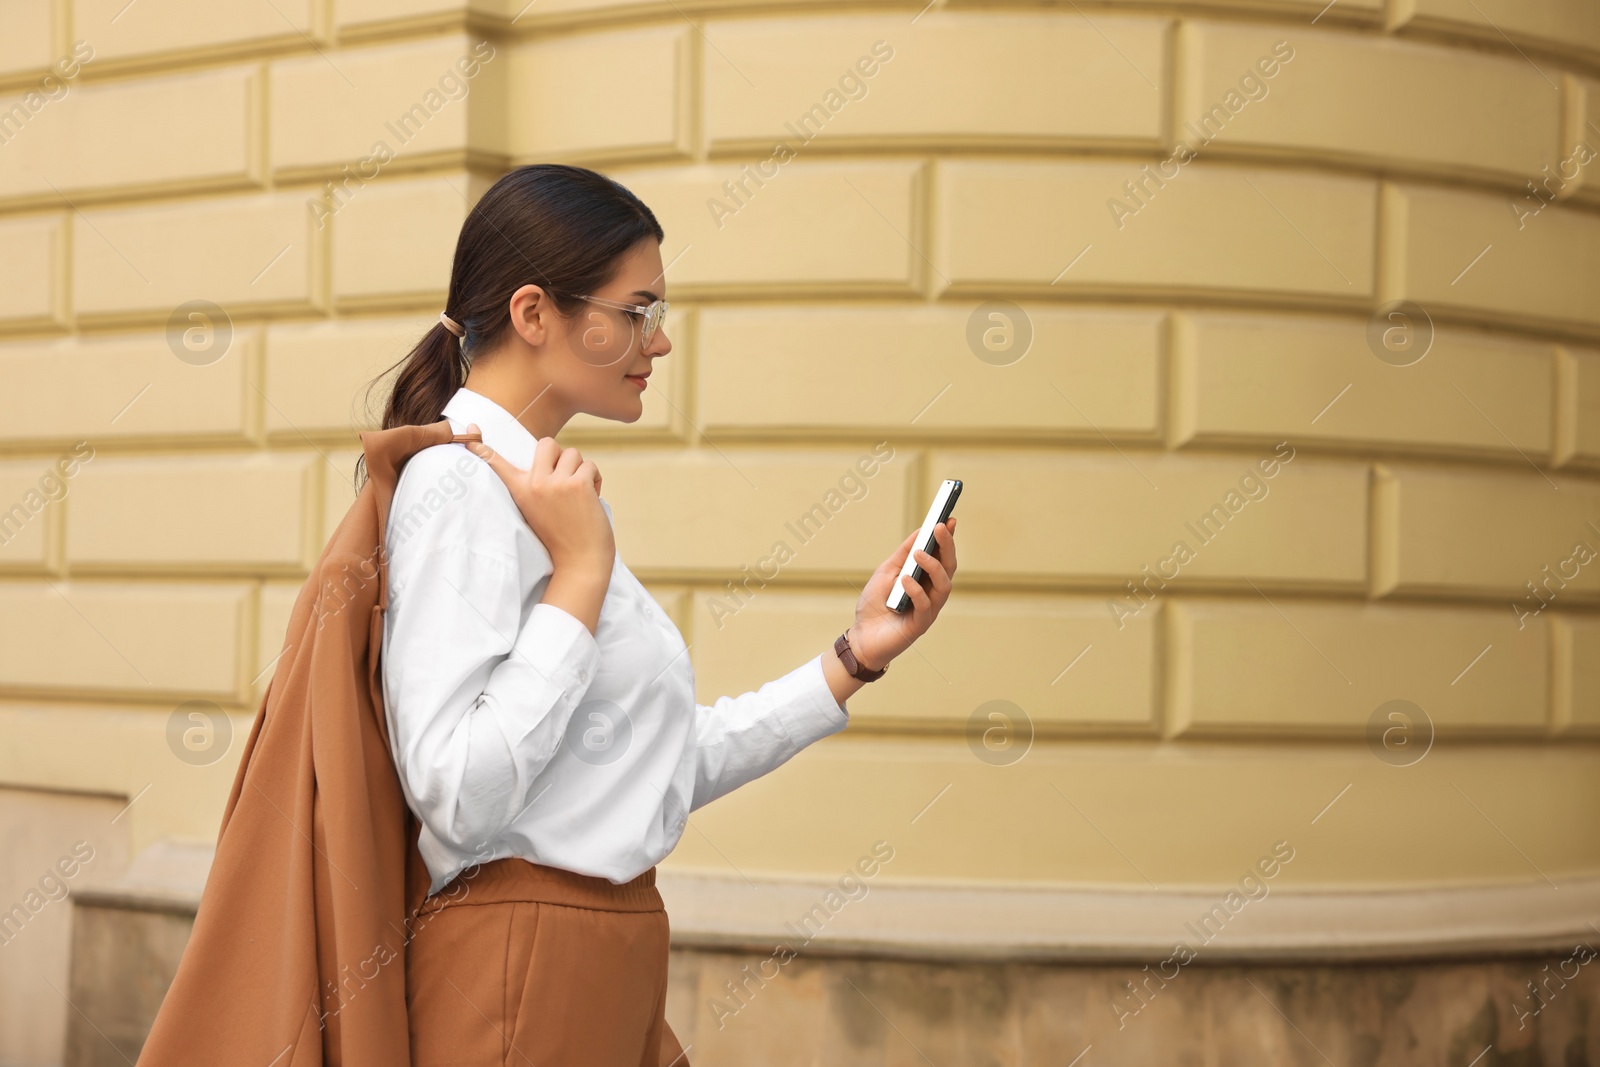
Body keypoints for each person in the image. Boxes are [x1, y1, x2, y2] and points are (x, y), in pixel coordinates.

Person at [374, 163, 958, 1066]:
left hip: (602, 957)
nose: (661, 340)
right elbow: (455, 792)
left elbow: (647, 763)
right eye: (639, 309)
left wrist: (853, 656)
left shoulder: (537, 490)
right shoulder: (459, 487)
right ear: (535, 314)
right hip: (524, 971)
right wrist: (578, 576)